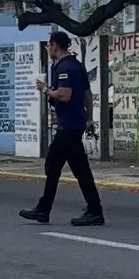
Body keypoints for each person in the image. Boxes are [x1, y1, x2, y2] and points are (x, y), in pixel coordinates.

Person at [19, 31, 105, 226]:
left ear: (55, 45)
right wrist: (89, 118)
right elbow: (87, 94)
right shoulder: (75, 64)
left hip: (69, 126)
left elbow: (65, 96)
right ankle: (92, 209)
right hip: (74, 124)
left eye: (48, 45)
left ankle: (46, 209)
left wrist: (44, 89)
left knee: (54, 165)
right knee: (74, 169)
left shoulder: (66, 68)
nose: (47, 48)